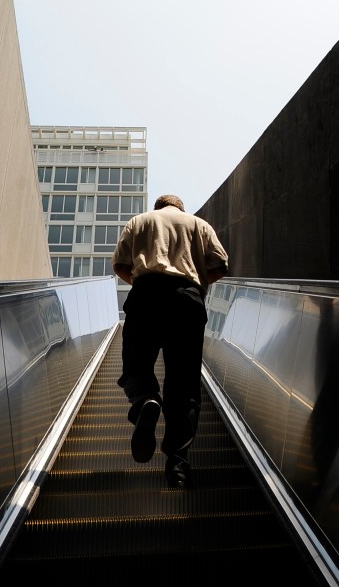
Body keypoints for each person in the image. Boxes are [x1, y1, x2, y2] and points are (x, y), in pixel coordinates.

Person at [111, 194, 229, 488]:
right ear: (181, 208)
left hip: (146, 295)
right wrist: (197, 278)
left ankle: (145, 400)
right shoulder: (199, 225)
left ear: (158, 207)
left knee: (136, 365)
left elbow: (121, 264)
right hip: (187, 301)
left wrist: (144, 282)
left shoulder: (140, 221)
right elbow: (221, 264)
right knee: (184, 385)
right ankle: (177, 465)